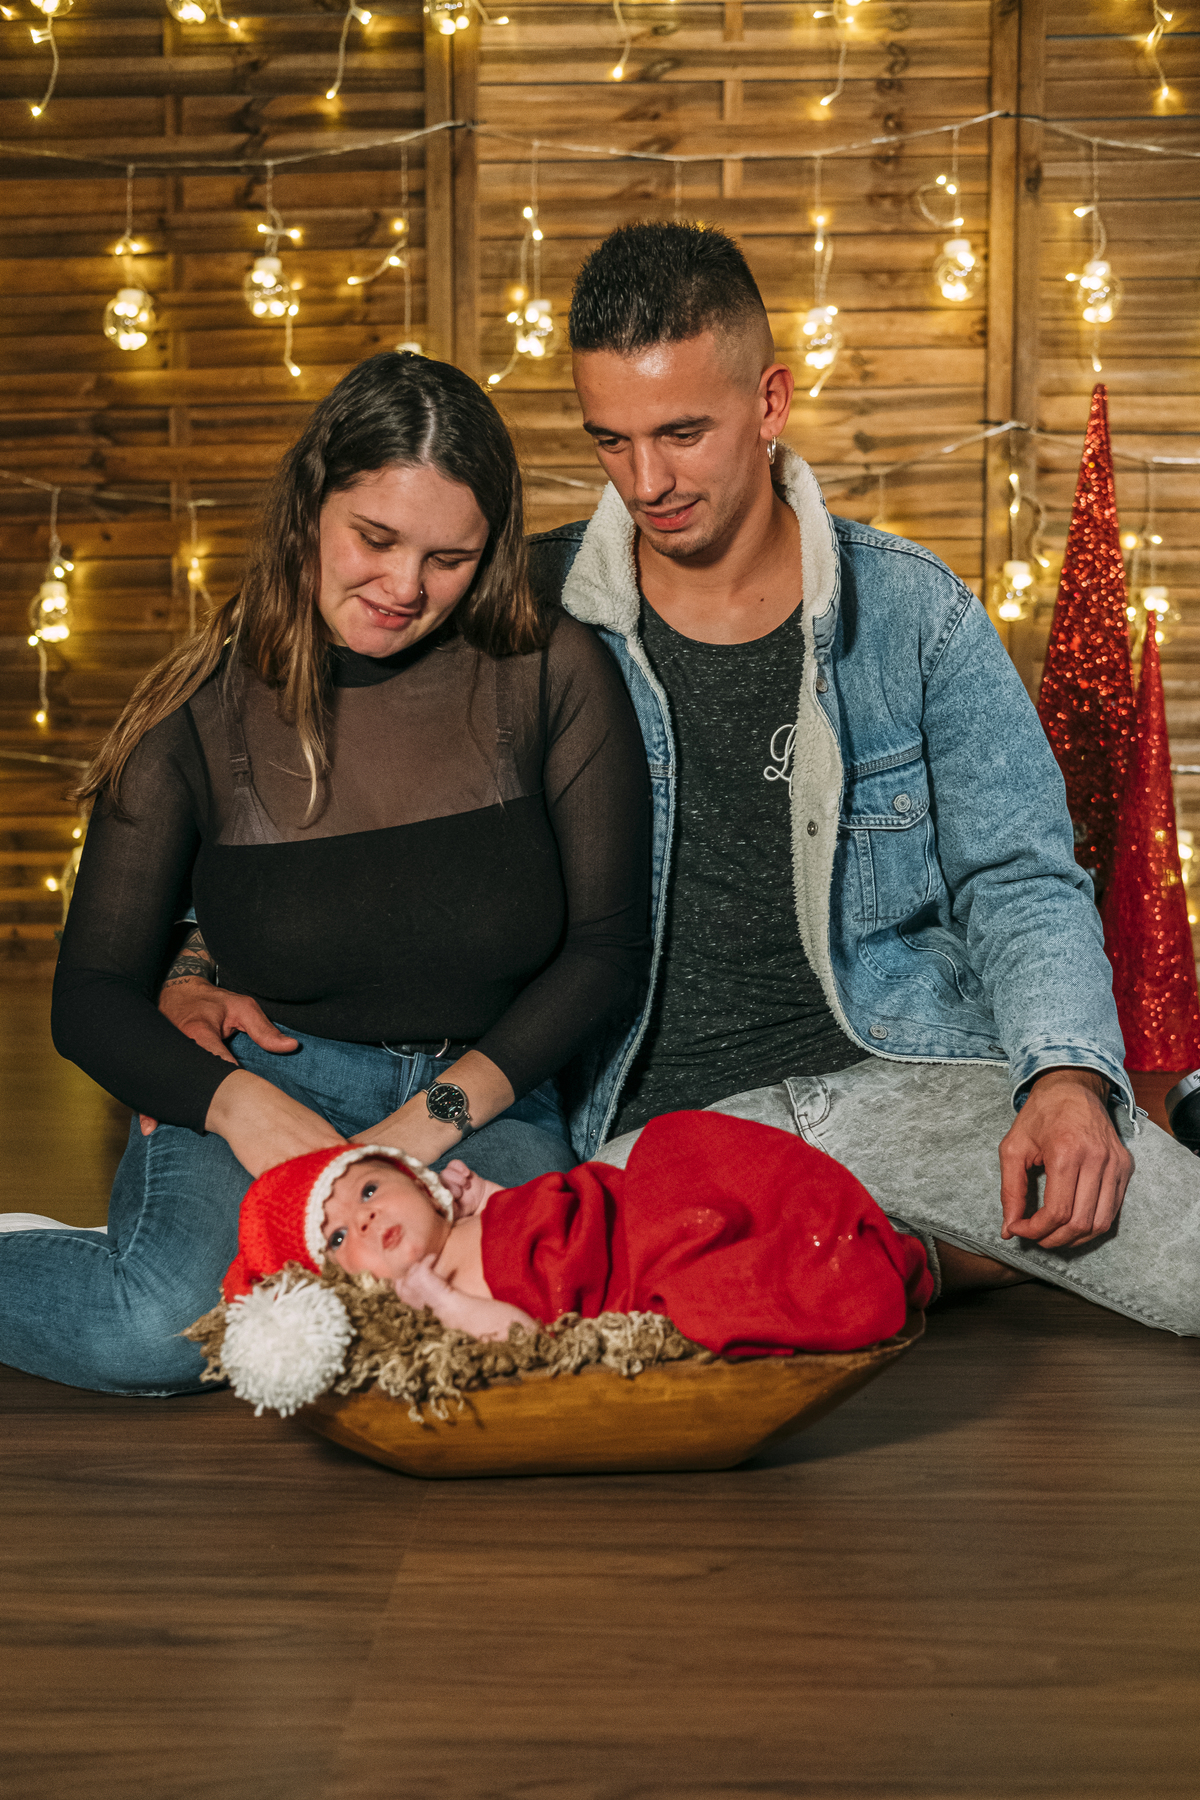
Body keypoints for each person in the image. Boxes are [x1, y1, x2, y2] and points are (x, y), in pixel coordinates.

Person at [159, 228, 1200, 1337]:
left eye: (683, 433)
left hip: (912, 1083)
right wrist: (193, 954)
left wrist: (1065, 1081)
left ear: (770, 400)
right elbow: (322, 760)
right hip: (652, 1137)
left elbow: (1022, 878)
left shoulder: (915, 611)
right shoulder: (529, 609)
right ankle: (905, 1261)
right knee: (492, 1334)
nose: (647, 481)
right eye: (612, 439)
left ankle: (915, 1244)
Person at [0, 352, 651, 1395]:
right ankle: (87, 1257)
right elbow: (87, 999)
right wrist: (234, 1108)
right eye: (376, 540)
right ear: (311, 505)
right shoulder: (203, 710)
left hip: (485, 1097)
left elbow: (605, 954)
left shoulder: (550, 672)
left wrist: (426, 1123)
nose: (404, 589)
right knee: (153, 1330)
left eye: (450, 557)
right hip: (275, 1083)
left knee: (521, 1325)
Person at [219, 1114, 934, 1358]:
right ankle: (847, 1263)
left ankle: (830, 1230)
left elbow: (550, 1212)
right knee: (713, 1275)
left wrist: (491, 1199)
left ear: (422, 1180)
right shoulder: (424, 1300)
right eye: (339, 1238)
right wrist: (445, 1303)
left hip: (620, 1214)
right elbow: (519, 1334)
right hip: (627, 1268)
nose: (365, 1219)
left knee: (678, 1147)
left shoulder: (463, 1218)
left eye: (369, 1189)